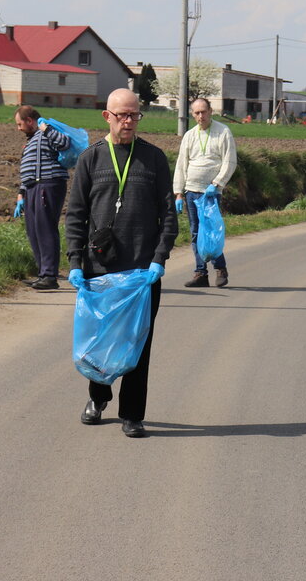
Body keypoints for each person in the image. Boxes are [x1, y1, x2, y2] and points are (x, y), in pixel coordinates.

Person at [65, 89, 177, 438]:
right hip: (100, 272)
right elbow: (75, 216)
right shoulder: (90, 160)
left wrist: (159, 259)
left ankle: (132, 414)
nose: (128, 122)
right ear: (107, 116)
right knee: (100, 343)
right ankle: (98, 398)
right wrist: (74, 262)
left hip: (143, 275)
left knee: (137, 344)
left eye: (134, 115)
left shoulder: (154, 159)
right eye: (122, 115)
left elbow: (169, 215)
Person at [173, 98, 238, 288]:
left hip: (211, 193)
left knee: (211, 231)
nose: (200, 116)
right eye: (196, 113)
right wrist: (178, 193)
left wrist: (217, 183)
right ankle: (200, 272)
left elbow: (230, 161)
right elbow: (181, 164)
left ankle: (220, 269)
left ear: (210, 111)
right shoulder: (189, 135)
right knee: (195, 232)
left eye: (203, 112)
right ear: (192, 114)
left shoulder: (223, 132)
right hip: (191, 191)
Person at [13, 106, 71, 290]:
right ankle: (43, 273)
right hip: (32, 188)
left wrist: (47, 129)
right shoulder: (31, 141)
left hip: (47, 184)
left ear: (30, 120)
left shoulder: (47, 131)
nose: (19, 128)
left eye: (20, 124)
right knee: (34, 230)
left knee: (45, 229)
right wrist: (21, 193)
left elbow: (65, 143)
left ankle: (49, 275)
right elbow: (27, 168)